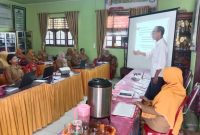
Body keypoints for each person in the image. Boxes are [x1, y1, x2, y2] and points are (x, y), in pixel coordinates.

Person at [134, 67, 186, 135]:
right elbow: (165, 105)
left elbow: (158, 111)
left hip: (160, 124)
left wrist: (141, 106)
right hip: (168, 121)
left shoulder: (168, 92)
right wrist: (149, 100)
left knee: (137, 115)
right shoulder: (179, 90)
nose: (164, 77)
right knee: (143, 109)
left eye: (166, 75)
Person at [133, 26, 168, 100]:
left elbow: (161, 63)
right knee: (148, 95)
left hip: (158, 76)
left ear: (159, 33)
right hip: (155, 75)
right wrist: (139, 53)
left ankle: (150, 110)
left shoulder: (162, 45)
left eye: (154, 32)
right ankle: (145, 104)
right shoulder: (157, 43)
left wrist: (156, 76)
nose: (152, 33)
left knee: (154, 97)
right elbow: (149, 53)